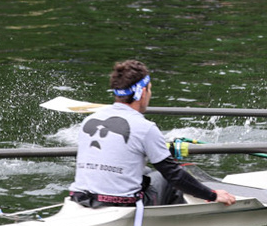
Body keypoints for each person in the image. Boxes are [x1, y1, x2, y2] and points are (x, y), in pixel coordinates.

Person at [68, 59, 237, 217]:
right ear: (142, 92)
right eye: (149, 89)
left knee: (147, 171)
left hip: (80, 197)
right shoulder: (145, 127)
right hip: (122, 205)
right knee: (173, 176)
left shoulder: (89, 120)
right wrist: (212, 195)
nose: (150, 93)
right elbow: (174, 176)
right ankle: (179, 223)